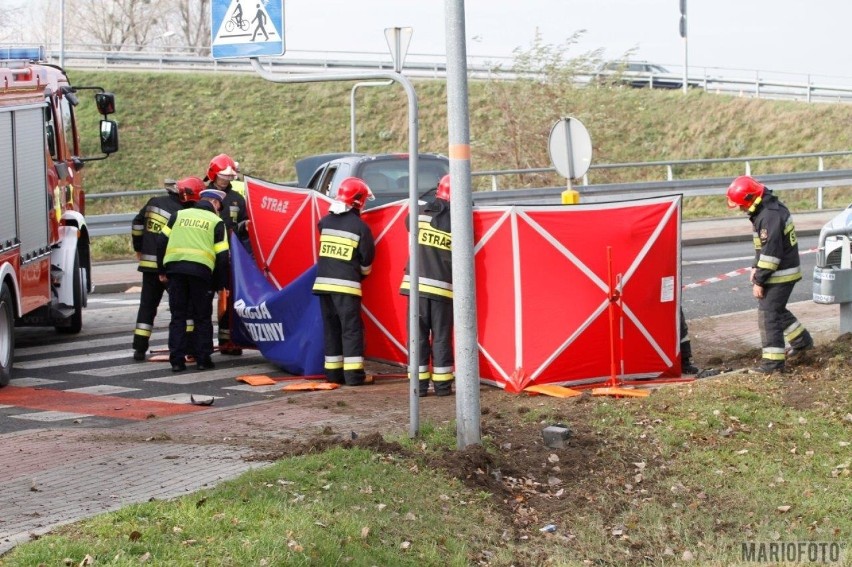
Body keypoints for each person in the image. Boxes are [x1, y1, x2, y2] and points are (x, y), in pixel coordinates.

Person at [726, 175, 814, 374]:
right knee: (776, 309)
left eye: (741, 205)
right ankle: (802, 342)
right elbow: (763, 249)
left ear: (751, 199)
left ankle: (773, 365)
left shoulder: (769, 216)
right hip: (782, 270)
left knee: (768, 315)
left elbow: (771, 254)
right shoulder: (766, 210)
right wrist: (754, 267)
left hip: (781, 273)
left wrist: (759, 280)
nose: (740, 209)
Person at [130, 177, 204, 361]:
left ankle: (139, 348)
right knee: (183, 309)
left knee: (147, 307)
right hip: (171, 268)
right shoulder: (184, 213)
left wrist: (139, 247)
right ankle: (187, 347)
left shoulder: (153, 203)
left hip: (148, 265)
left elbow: (137, 224)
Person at [156, 189, 230, 373]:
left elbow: (161, 241)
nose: (218, 211)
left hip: (175, 272)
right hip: (201, 274)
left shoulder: (178, 215)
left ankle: (177, 361)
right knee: (202, 317)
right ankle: (203, 359)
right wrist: (222, 285)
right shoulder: (216, 222)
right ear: (214, 203)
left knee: (178, 316)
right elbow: (222, 257)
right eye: (219, 207)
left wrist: (161, 270)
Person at [312, 177, 376, 386]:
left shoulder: (325, 222)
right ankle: (354, 376)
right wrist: (361, 276)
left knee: (331, 329)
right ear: (359, 201)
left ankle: (333, 374)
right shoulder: (360, 228)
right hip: (346, 287)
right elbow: (366, 261)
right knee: (351, 330)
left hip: (322, 286)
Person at [400, 174, 455, 397]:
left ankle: (419, 387)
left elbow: (407, 223)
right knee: (441, 337)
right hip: (442, 289)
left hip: (416, 288)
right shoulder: (459, 221)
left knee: (417, 337)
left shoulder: (420, 213)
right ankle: (442, 387)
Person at [204, 154, 247, 356]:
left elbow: (245, 225)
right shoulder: (202, 195)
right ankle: (201, 343)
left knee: (228, 299)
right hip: (205, 256)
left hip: (229, 257)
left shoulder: (237, 199)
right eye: (223, 177)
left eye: (230, 177)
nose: (227, 180)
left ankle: (227, 340)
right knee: (202, 300)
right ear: (213, 175)